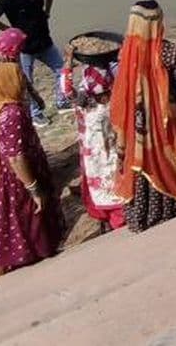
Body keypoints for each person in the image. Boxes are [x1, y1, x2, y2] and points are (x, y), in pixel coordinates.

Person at [110, 1, 176, 233]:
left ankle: (142, 216)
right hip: (168, 121)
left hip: (136, 124)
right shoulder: (171, 52)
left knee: (141, 164)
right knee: (174, 163)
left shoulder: (125, 54)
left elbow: (122, 92)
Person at [0, 61, 65, 280]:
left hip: (7, 177)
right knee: (32, 214)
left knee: (17, 218)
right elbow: (16, 156)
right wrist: (33, 188)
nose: (23, 81)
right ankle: (38, 257)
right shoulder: (12, 113)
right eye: (19, 77)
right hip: (20, 178)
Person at [72, 62, 124, 231]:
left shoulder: (84, 110)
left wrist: (67, 65)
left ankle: (109, 222)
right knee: (115, 201)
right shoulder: (104, 113)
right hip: (107, 163)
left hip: (93, 165)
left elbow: (67, 91)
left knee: (103, 198)